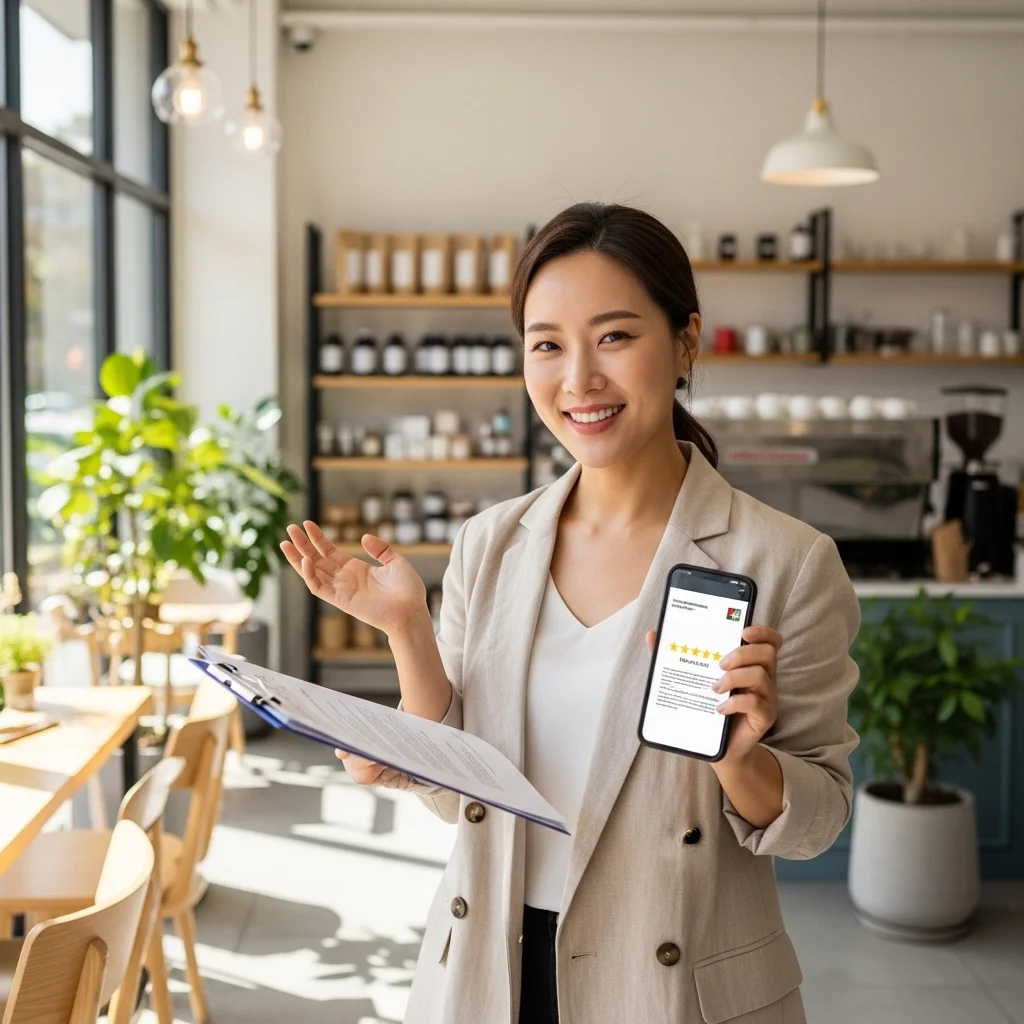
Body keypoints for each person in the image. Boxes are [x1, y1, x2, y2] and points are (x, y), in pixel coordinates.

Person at [281, 203, 860, 1024]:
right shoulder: (491, 544)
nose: (578, 379)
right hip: (492, 969)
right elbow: (459, 796)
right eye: (547, 344)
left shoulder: (785, 561)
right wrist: (407, 630)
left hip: (674, 984)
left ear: (685, 342)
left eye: (615, 337)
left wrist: (739, 760)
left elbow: (818, 821)